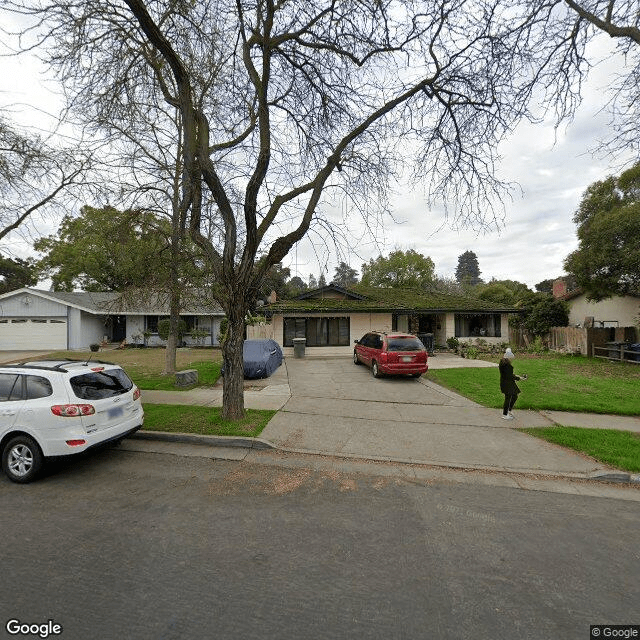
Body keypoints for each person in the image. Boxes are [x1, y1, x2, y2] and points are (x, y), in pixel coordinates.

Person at [499, 348, 525, 420]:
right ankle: (505, 414)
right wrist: (518, 378)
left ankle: (509, 410)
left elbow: (508, 374)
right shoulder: (507, 365)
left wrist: (517, 376)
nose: (511, 359)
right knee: (508, 398)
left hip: (506, 382)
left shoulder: (503, 363)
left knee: (515, 395)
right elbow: (509, 376)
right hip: (508, 383)